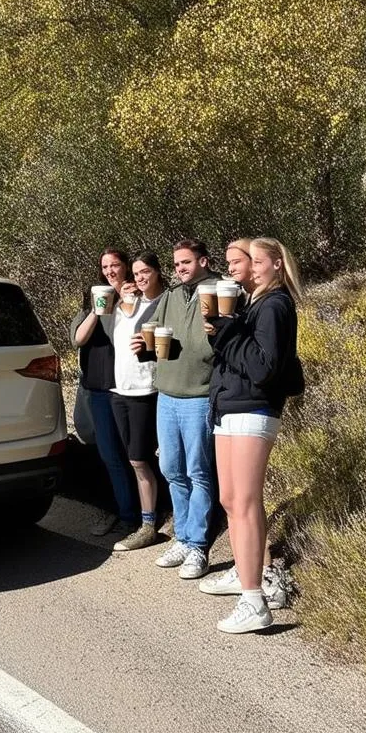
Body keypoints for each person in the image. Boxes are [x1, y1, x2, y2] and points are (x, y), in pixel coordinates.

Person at [202, 237, 304, 633]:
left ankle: (254, 600)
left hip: (252, 409)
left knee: (243, 503)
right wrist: (223, 332)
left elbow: (265, 368)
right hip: (230, 407)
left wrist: (229, 333)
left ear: (278, 264)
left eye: (258, 261)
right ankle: (250, 579)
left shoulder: (275, 306)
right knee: (232, 500)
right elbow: (239, 355)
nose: (253, 267)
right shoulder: (253, 304)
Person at [131, 239, 219, 579]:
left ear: (203, 261)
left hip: (199, 395)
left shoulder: (218, 290)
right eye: (176, 264)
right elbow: (156, 342)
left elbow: (224, 340)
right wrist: (144, 347)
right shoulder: (170, 296)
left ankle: (198, 545)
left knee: (199, 471)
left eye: (185, 262)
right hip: (167, 394)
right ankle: (182, 537)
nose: (179, 268)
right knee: (171, 468)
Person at [71, 248, 139, 536]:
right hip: (99, 390)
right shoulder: (92, 302)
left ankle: (144, 513)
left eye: (115, 265)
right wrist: (98, 310)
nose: (110, 270)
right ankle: (125, 513)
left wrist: (126, 301)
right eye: (105, 266)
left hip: (129, 388)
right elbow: (77, 339)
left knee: (135, 454)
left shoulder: (135, 298)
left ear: (126, 267)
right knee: (109, 454)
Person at [110, 251, 166, 552]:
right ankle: (147, 519)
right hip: (120, 390)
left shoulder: (164, 303)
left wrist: (153, 347)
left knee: (141, 459)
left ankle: (149, 525)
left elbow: (171, 345)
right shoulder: (124, 305)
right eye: (136, 273)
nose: (140, 277)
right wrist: (120, 298)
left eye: (146, 271)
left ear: (157, 272)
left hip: (147, 389)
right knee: (134, 460)